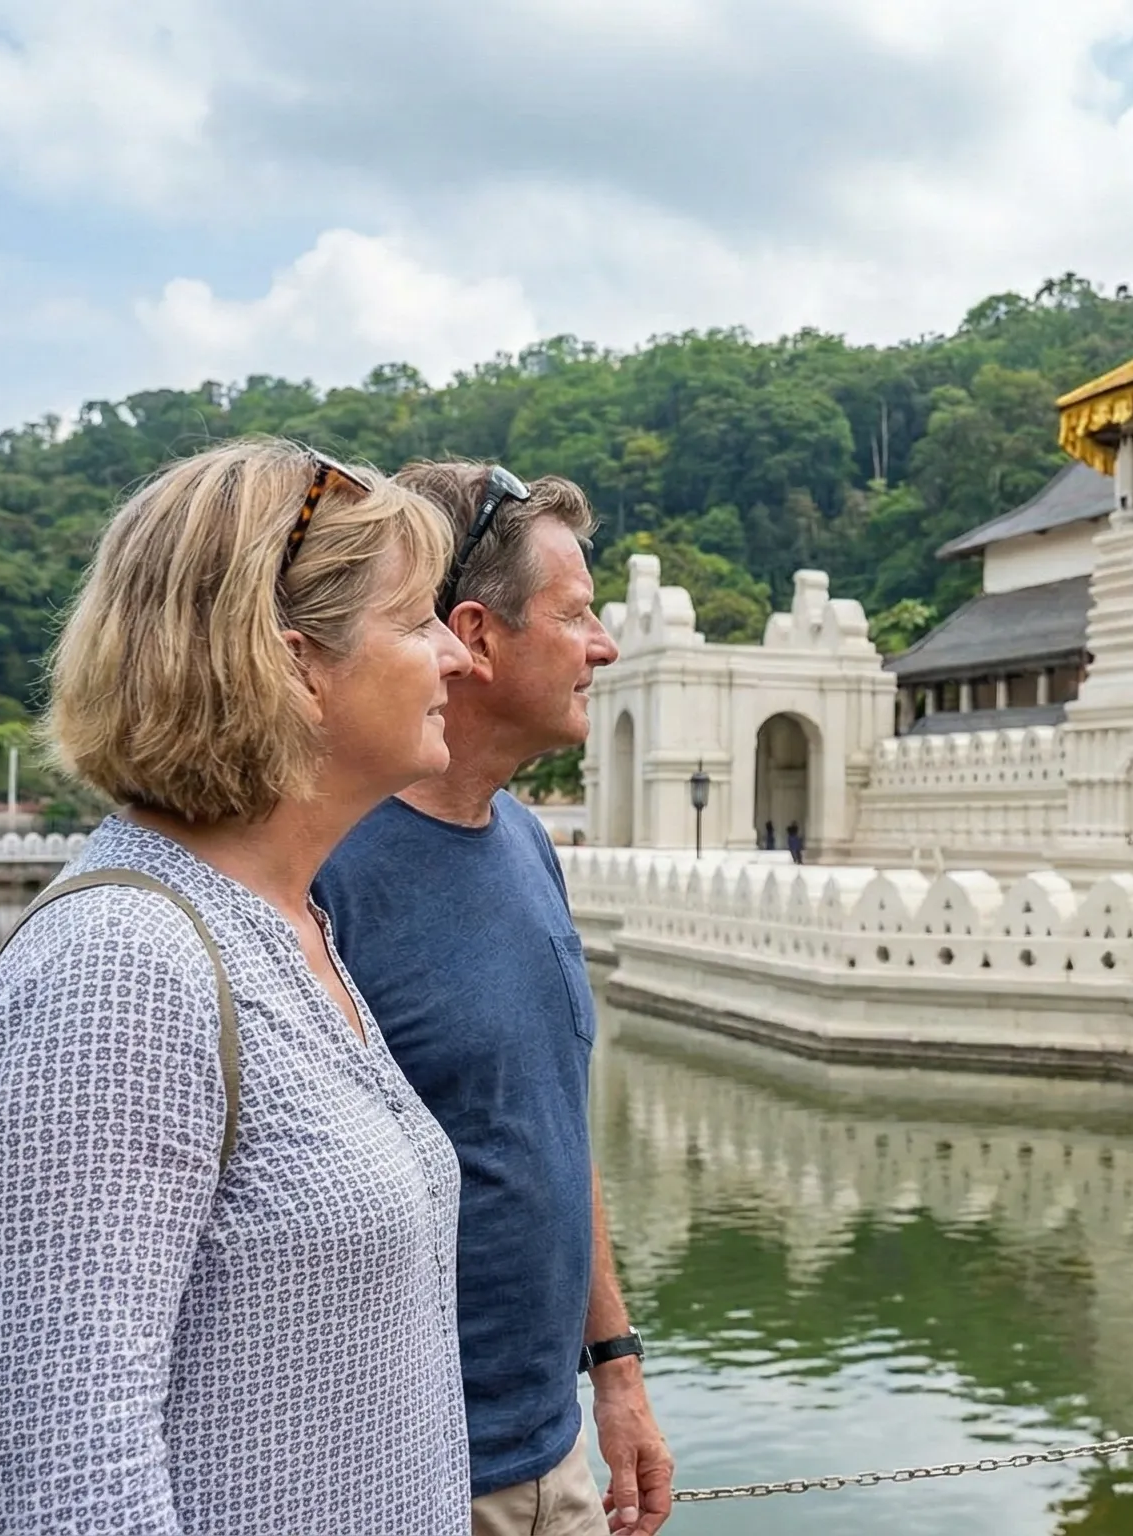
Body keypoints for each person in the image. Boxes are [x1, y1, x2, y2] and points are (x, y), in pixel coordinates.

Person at [0, 439, 475, 1533]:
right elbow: (63, 1480)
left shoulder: (283, 922)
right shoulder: (121, 974)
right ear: (292, 663)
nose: (455, 658)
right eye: (419, 620)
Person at [314, 462, 672, 1536]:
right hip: (392, 1474)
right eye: (575, 618)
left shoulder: (525, 842)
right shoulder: (318, 870)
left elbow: (550, 1125)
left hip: (549, 1454)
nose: (604, 647)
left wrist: (612, 1367)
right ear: (475, 634)